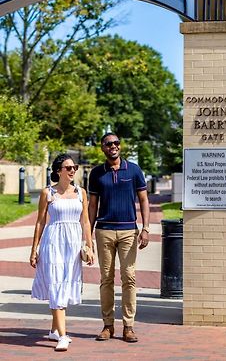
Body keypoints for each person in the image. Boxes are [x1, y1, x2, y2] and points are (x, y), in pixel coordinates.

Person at [88, 132, 150, 343]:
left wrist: (146, 228)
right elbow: (92, 205)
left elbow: (144, 200)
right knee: (106, 279)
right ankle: (108, 326)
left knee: (129, 277)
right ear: (103, 148)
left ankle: (128, 326)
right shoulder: (96, 173)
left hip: (128, 232)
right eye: (108, 144)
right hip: (104, 230)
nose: (113, 146)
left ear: (120, 146)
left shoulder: (133, 170)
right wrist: (88, 233)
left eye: (116, 143)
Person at [30, 154, 94, 352]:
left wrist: (89, 246)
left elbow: (85, 221)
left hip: (73, 245)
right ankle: (63, 336)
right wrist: (35, 249)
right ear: (58, 171)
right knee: (56, 283)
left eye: (74, 167)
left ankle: (54, 330)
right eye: (68, 167)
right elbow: (40, 222)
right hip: (53, 243)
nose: (73, 170)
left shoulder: (81, 192)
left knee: (64, 287)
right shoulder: (47, 193)